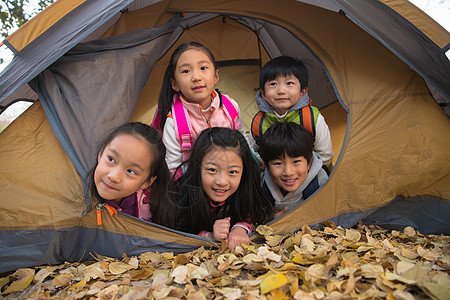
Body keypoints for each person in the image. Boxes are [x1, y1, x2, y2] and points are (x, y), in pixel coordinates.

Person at [153, 41, 257, 173]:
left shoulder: (229, 107)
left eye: (203, 68)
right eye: (186, 71)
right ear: (175, 84)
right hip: (194, 184)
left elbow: (242, 136)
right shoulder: (174, 123)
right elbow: (173, 169)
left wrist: (255, 159)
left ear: (216, 76)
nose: (196, 77)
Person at [174, 127, 273, 249]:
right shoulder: (182, 192)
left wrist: (239, 229)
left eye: (232, 172)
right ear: (197, 167)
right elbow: (177, 232)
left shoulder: (245, 189)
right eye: (212, 170)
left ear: (244, 172)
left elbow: (250, 213)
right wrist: (209, 235)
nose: (221, 181)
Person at [250, 56, 334, 171]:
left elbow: (326, 154)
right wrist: (259, 160)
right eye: (273, 84)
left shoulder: (311, 118)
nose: (281, 91)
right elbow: (252, 150)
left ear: (302, 92)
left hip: (312, 175)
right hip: (274, 176)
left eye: (289, 83)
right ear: (263, 93)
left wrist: (304, 172)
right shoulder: (259, 122)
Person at [88, 122, 177, 228]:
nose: (113, 176)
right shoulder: (76, 197)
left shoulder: (153, 208)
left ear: (147, 182)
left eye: (131, 171)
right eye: (111, 159)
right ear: (101, 153)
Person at [259, 122, 328, 216]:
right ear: (267, 165)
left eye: (296, 162)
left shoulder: (321, 183)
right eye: (278, 163)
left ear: (309, 163)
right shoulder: (262, 186)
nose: (288, 172)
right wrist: (270, 220)